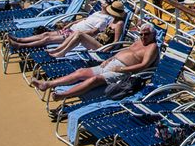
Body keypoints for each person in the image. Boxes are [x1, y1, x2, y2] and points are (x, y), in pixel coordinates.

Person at [30, 23, 159, 98]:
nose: (143, 36)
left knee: (95, 80)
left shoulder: (152, 47)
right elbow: (124, 52)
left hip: (123, 72)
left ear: (153, 35)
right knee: (80, 72)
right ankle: (47, 84)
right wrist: (109, 59)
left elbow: (143, 65)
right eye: (141, 34)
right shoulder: (138, 41)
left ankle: (63, 95)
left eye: (146, 34)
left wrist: (121, 69)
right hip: (111, 64)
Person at [8, 0, 125, 48]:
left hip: (74, 34)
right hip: (71, 29)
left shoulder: (105, 20)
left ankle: (21, 45)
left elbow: (94, 32)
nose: (102, 2)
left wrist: (76, 33)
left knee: (47, 38)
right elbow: (84, 19)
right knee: (46, 34)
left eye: (105, 3)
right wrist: (71, 24)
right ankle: (20, 40)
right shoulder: (98, 12)